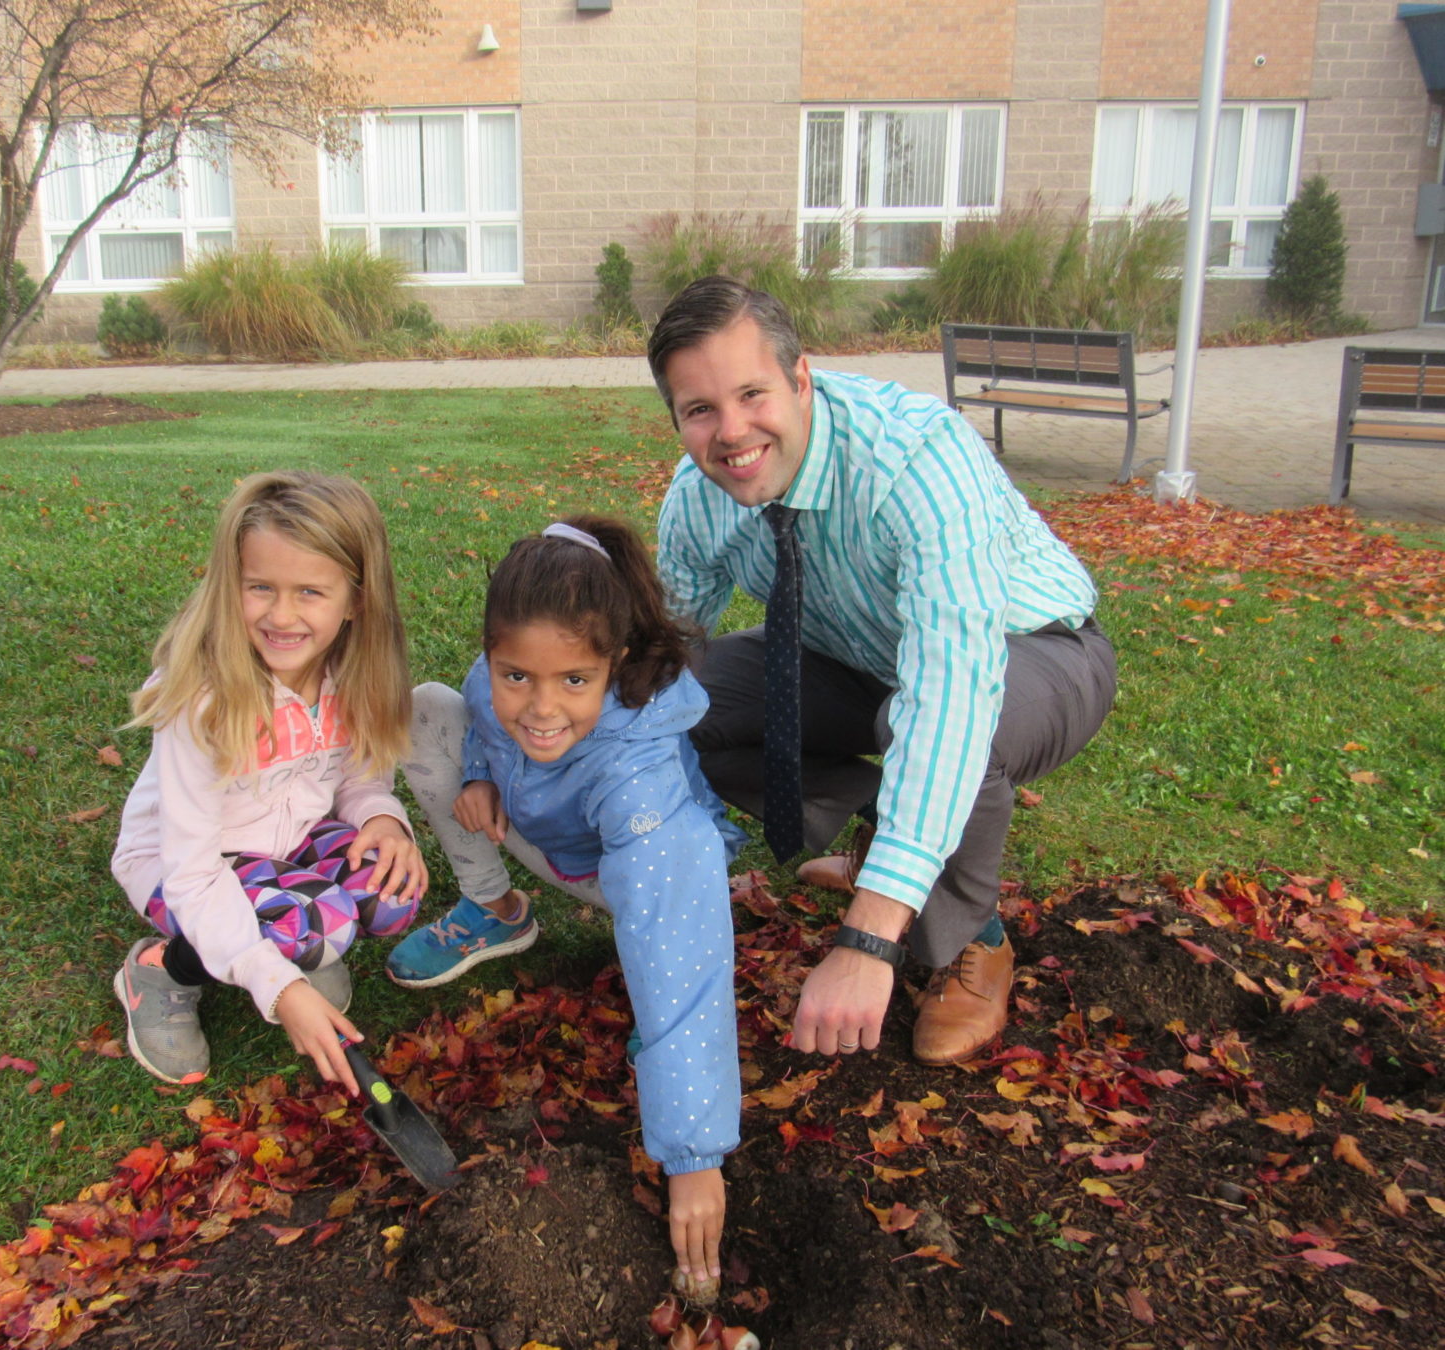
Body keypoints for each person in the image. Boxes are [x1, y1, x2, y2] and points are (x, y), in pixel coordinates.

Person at [650, 275, 1117, 1067]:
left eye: (752, 393)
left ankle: (973, 938)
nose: (731, 434)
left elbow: (951, 700)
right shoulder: (699, 496)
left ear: (802, 378)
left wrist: (866, 942)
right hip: (852, 656)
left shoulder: (919, 461)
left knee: (938, 731)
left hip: (1032, 648)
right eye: (699, 410)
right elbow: (664, 655)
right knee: (678, 707)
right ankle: (891, 834)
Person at [385, 515, 744, 1289]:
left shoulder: (635, 770)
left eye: (574, 682)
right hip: (535, 829)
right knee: (423, 708)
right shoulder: (502, 678)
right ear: (496, 654)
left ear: (612, 663)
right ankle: (494, 909)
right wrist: (479, 767)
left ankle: (679, 1079)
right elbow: (483, 711)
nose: (541, 707)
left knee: (666, 934)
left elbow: (675, 962)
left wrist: (692, 1158)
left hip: (623, 870)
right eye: (519, 675)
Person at [110, 471, 427, 1093]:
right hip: (182, 865)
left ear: (356, 599)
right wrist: (279, 987)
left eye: (310, 591)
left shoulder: (353, 675)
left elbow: (362, 782)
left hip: (289, 846)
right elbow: (195, 873)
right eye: (260, 588)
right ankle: (160, 974)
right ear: (232, 586)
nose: (282, 615)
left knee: (390, 892)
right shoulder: (204, 701)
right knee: (313, 928)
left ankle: (292, 943)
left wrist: (384, 820)